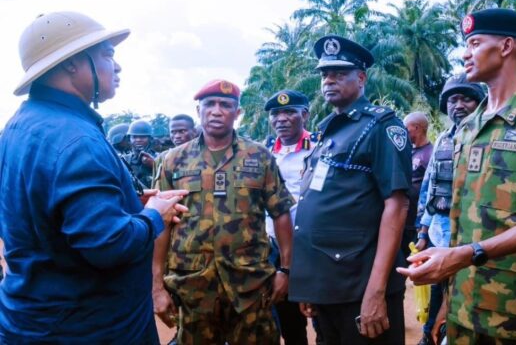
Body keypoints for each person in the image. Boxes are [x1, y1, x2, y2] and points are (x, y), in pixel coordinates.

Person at [0, 11, 187, 342]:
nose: (116, 66)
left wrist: (129, 205)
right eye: (108, 54)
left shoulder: (20, 126)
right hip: (90, 328)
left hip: (33, 320)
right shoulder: (76, 139)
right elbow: (109, 245)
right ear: (72, 63)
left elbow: (46, 213)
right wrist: (153, 215)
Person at [398, 8, 516, 343]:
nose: (465, 54)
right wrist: (446, 303)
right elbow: (458, 221)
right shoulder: (467, 128)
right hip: (462, 308)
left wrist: (467, 255)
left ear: (507, 46)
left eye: (475, 43)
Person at [289, 35, 412, 344]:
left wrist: (376, 291)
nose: (329, 80)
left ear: (361, 78)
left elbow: (396, 206)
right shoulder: (330, 130)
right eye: (324, 74)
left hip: (360, 286)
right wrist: (310, 284)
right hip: (328, 284)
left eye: (339, 73)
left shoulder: (381, 127)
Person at [152, 79, 295, 344]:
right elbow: (161, 224)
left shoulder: (259, 157)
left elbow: (281, 212)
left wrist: (285, 270)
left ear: (237, 113)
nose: (217, 111)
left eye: (226, 105)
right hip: (193, 287)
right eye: (210, 104)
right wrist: (157, 286)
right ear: (199, 110)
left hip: (250, 284)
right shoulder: (173, 160)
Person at [413, 75, 485, 345]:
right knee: (437, 285)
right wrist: (422, 229)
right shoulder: (444, 139)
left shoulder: (487, 137)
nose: (459, 105)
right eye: (453, 99)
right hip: (439, 230)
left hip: (474, 234)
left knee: (466, 288)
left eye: (466, 98)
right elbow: (430, 186)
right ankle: (430, 334)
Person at [263, 89, 315, 345]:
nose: (281, 119)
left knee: (317, 310)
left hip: (310, 245)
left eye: (288, 112)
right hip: (273, 246)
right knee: (285, 315)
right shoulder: (262, 153)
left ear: (304, 115)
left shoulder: (318, 147)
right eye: (275, 113)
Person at [403, 112, 433, 258]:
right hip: (402, 218)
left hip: (417, 224)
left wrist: (423, 230)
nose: (404, 132)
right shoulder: (406, 151)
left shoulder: (430, 154)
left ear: (416, 127)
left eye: (406, 128)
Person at [124, 119, 158, 188]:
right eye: (134, 137)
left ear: (150, 139)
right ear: (129, 139)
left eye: (143, 137)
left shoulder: (160, 157)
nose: (138, 140)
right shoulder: (124, 160)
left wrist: (154, 165)